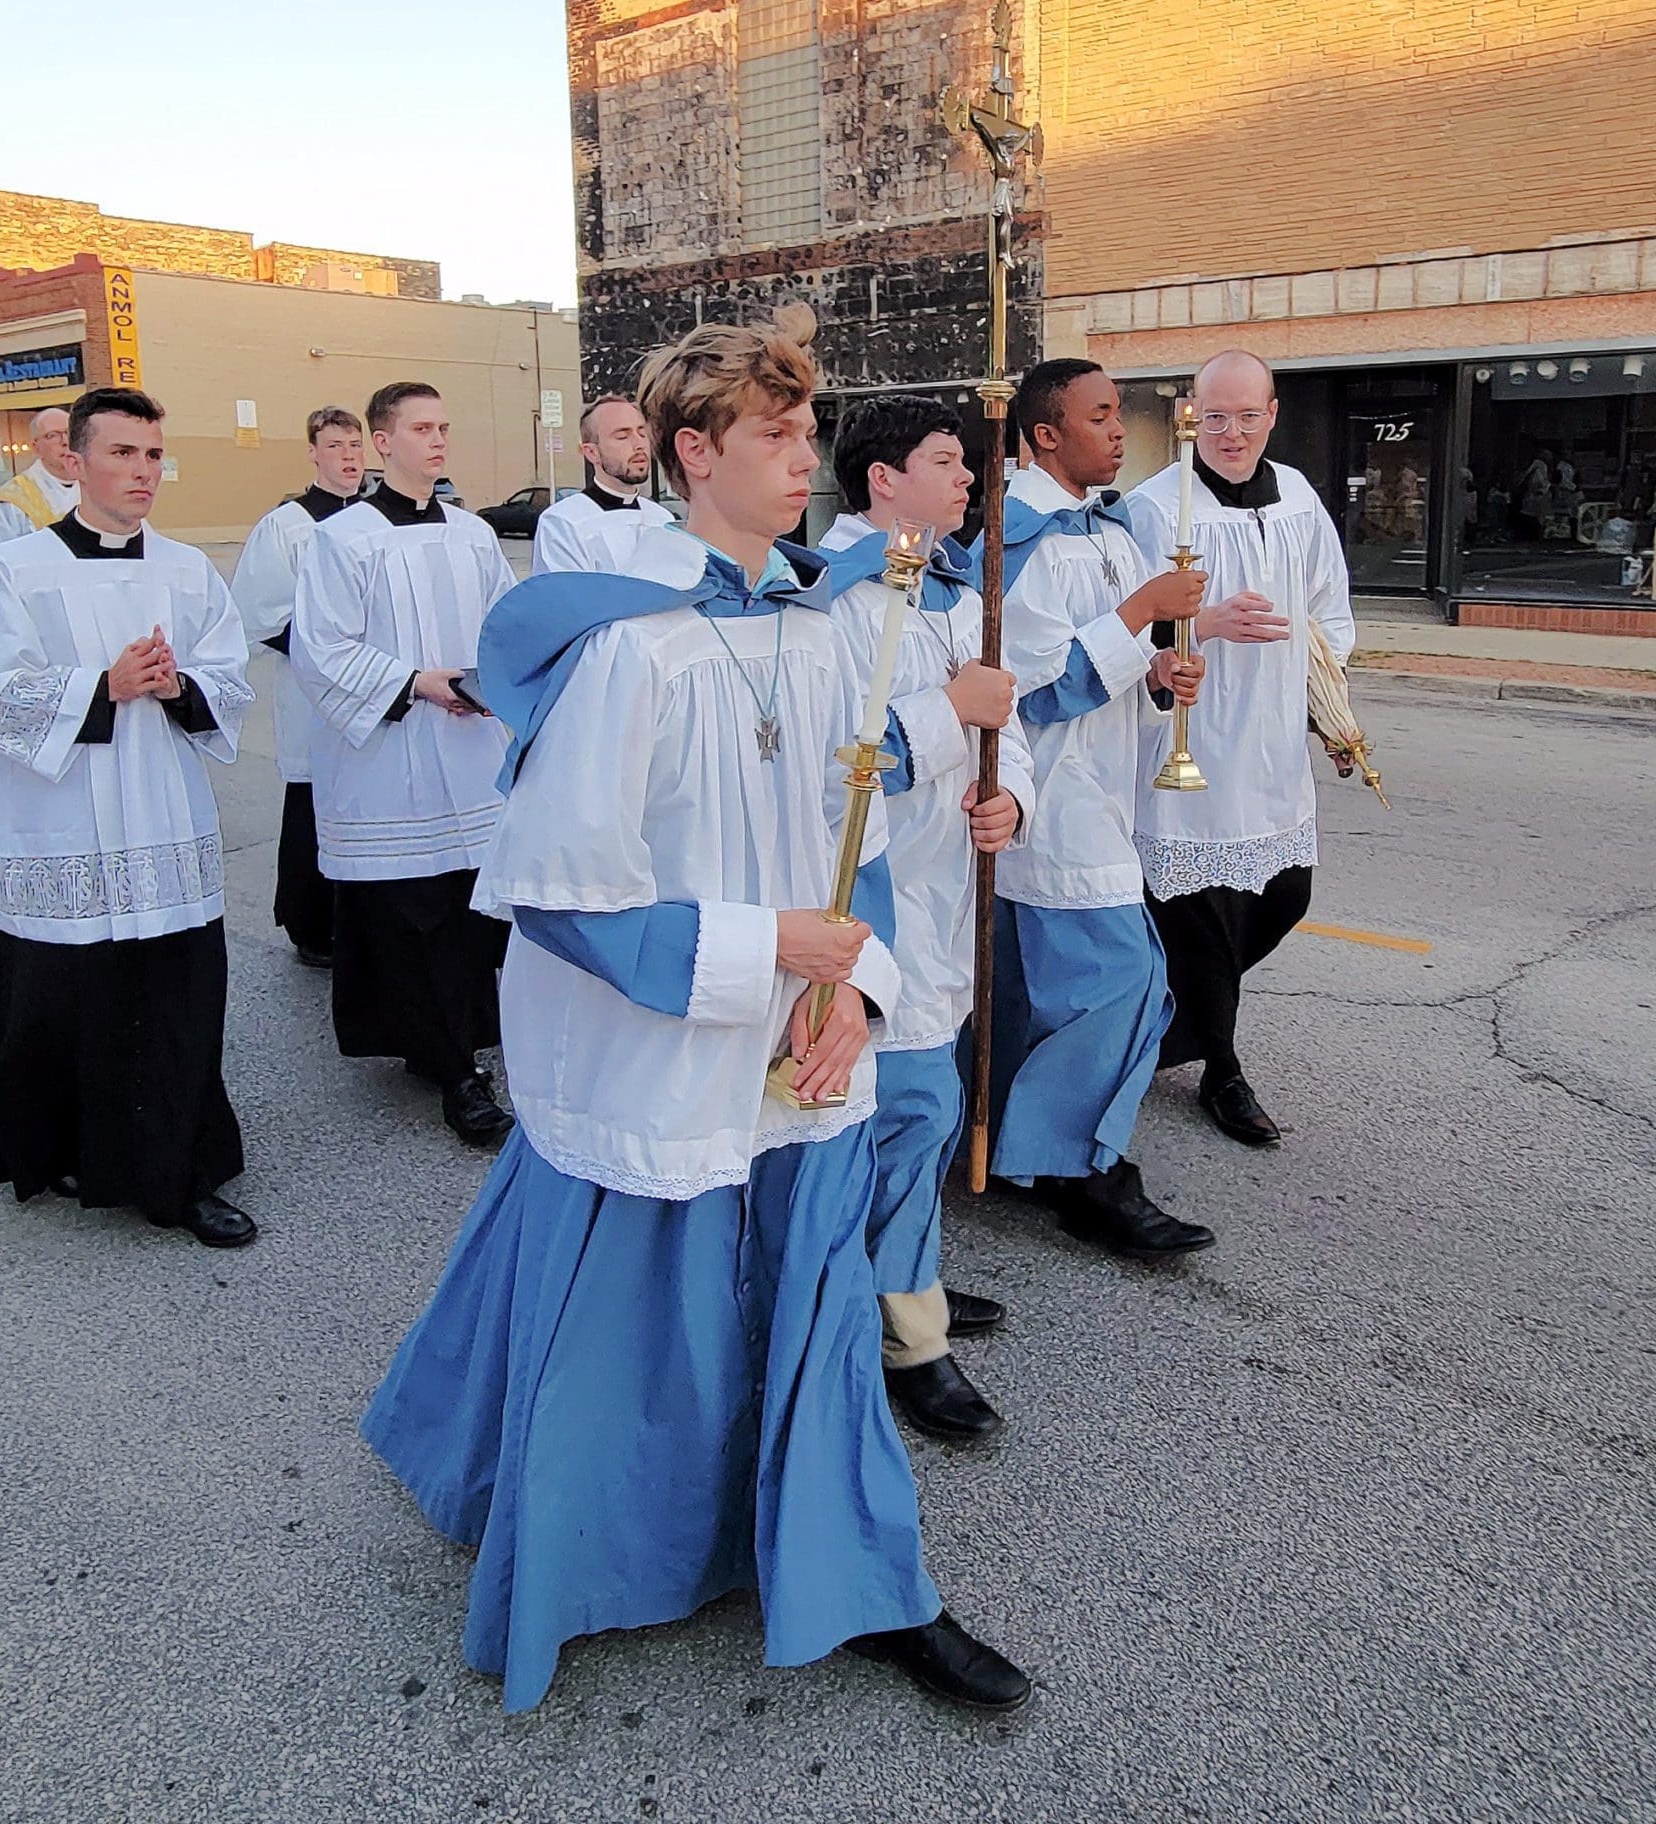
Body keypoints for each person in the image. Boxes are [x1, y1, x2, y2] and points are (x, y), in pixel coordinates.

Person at [364, 306, 1030, 1718]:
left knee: (820, 1322)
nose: (804, 459)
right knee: (638, 1353)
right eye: (774, 435)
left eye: (806, 432)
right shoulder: (628, 646)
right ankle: (599, 1563)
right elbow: (563, 896)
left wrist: (853, 989)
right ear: (691, 453)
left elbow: (850, 842)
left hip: (803, 1048)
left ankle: (867, 1583)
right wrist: (765, 952)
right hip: (662, 1056)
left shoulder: (823, 628)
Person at [0, 388, 257, 1248]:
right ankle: (67, 1150)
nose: (142, 471)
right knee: (69, 999)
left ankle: (181, 1172)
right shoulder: (18, 568)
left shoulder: (187, 569)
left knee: (175, 998)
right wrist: (100, 688)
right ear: (74, 461)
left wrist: (180, 686)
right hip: (67, 819)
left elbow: (230, 676)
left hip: (162, 815)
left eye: (152, 455)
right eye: (122, 453)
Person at [818, 394, 1034, 1443]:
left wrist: (1010, 796)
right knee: (907, 1115)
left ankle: (903, 1275)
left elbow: (1006, 724)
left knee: (921, 1114)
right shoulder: (828, 602)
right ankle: (907, 1335)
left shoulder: (955, 590)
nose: (968, 479)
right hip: (875, 905)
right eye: (947, 460)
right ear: (882, 480)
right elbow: (835, 768)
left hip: (947, 894)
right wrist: (952, 713)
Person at [985, 359, 1210, 1257]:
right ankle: (1086, 1173)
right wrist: (1144, 611)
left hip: (1106, 788)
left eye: (1119, 414)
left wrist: (1156, 673)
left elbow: (1108, 668)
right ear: (1046, 434)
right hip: (1054, 801)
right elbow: (1035, 690)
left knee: (1045, 993)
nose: (1119, 431)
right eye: (1101, 416)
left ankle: (1016, 1151)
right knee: (1121, 983)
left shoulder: (1109, 529)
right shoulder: (1021, 539)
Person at [1123, 351, 1356, 1148]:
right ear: (1191, 417)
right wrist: (1200, 625)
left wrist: (1328, 707)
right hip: (1191, 739)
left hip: (1272, 743)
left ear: (1272, 415)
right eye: (1216, 416)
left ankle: (1167, 1027)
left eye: (1247, 415)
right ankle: (1222, 1068)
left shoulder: (1298, 499)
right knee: (1200, 919)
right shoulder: (1157, 508)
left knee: (1284, 897)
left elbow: (1329, 611)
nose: (1232, 432)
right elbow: (1123, 622)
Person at [291, 381, 513, 1145]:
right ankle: (453, 1072)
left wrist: (494, 682)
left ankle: (464, 1044)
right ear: (383, 442)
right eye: (421, 428)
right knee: (415, 917)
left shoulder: (473, 534)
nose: (438, 439)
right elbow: (321, 649)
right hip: (392, 757)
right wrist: (417, 683)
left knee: (468, 912)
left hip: (470, 749)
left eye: (444, 427)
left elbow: (505, 626)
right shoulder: (343, 538)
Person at [228, 405, 364, 966]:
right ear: (312, 453)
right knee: (313, 803)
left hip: (374, 688)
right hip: (313, 693)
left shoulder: (376, 522)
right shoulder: (287, 526)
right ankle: (311, 925)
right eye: (334, 446)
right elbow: (260, 612)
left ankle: (363, 920)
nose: (348, 458)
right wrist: (332, 655)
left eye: (354, 446)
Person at [528, 393, 674, 575]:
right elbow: (566, 590)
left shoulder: (662, 519)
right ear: (592, 453)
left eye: (642, 433)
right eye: (622, 436)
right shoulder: (564, 522)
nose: (639, 445)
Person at [0, 407, 81, 547]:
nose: (65, 441)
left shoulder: (99, 484)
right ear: (36, 448)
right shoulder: (12, 500)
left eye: (70, 433)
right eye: (53, 435)